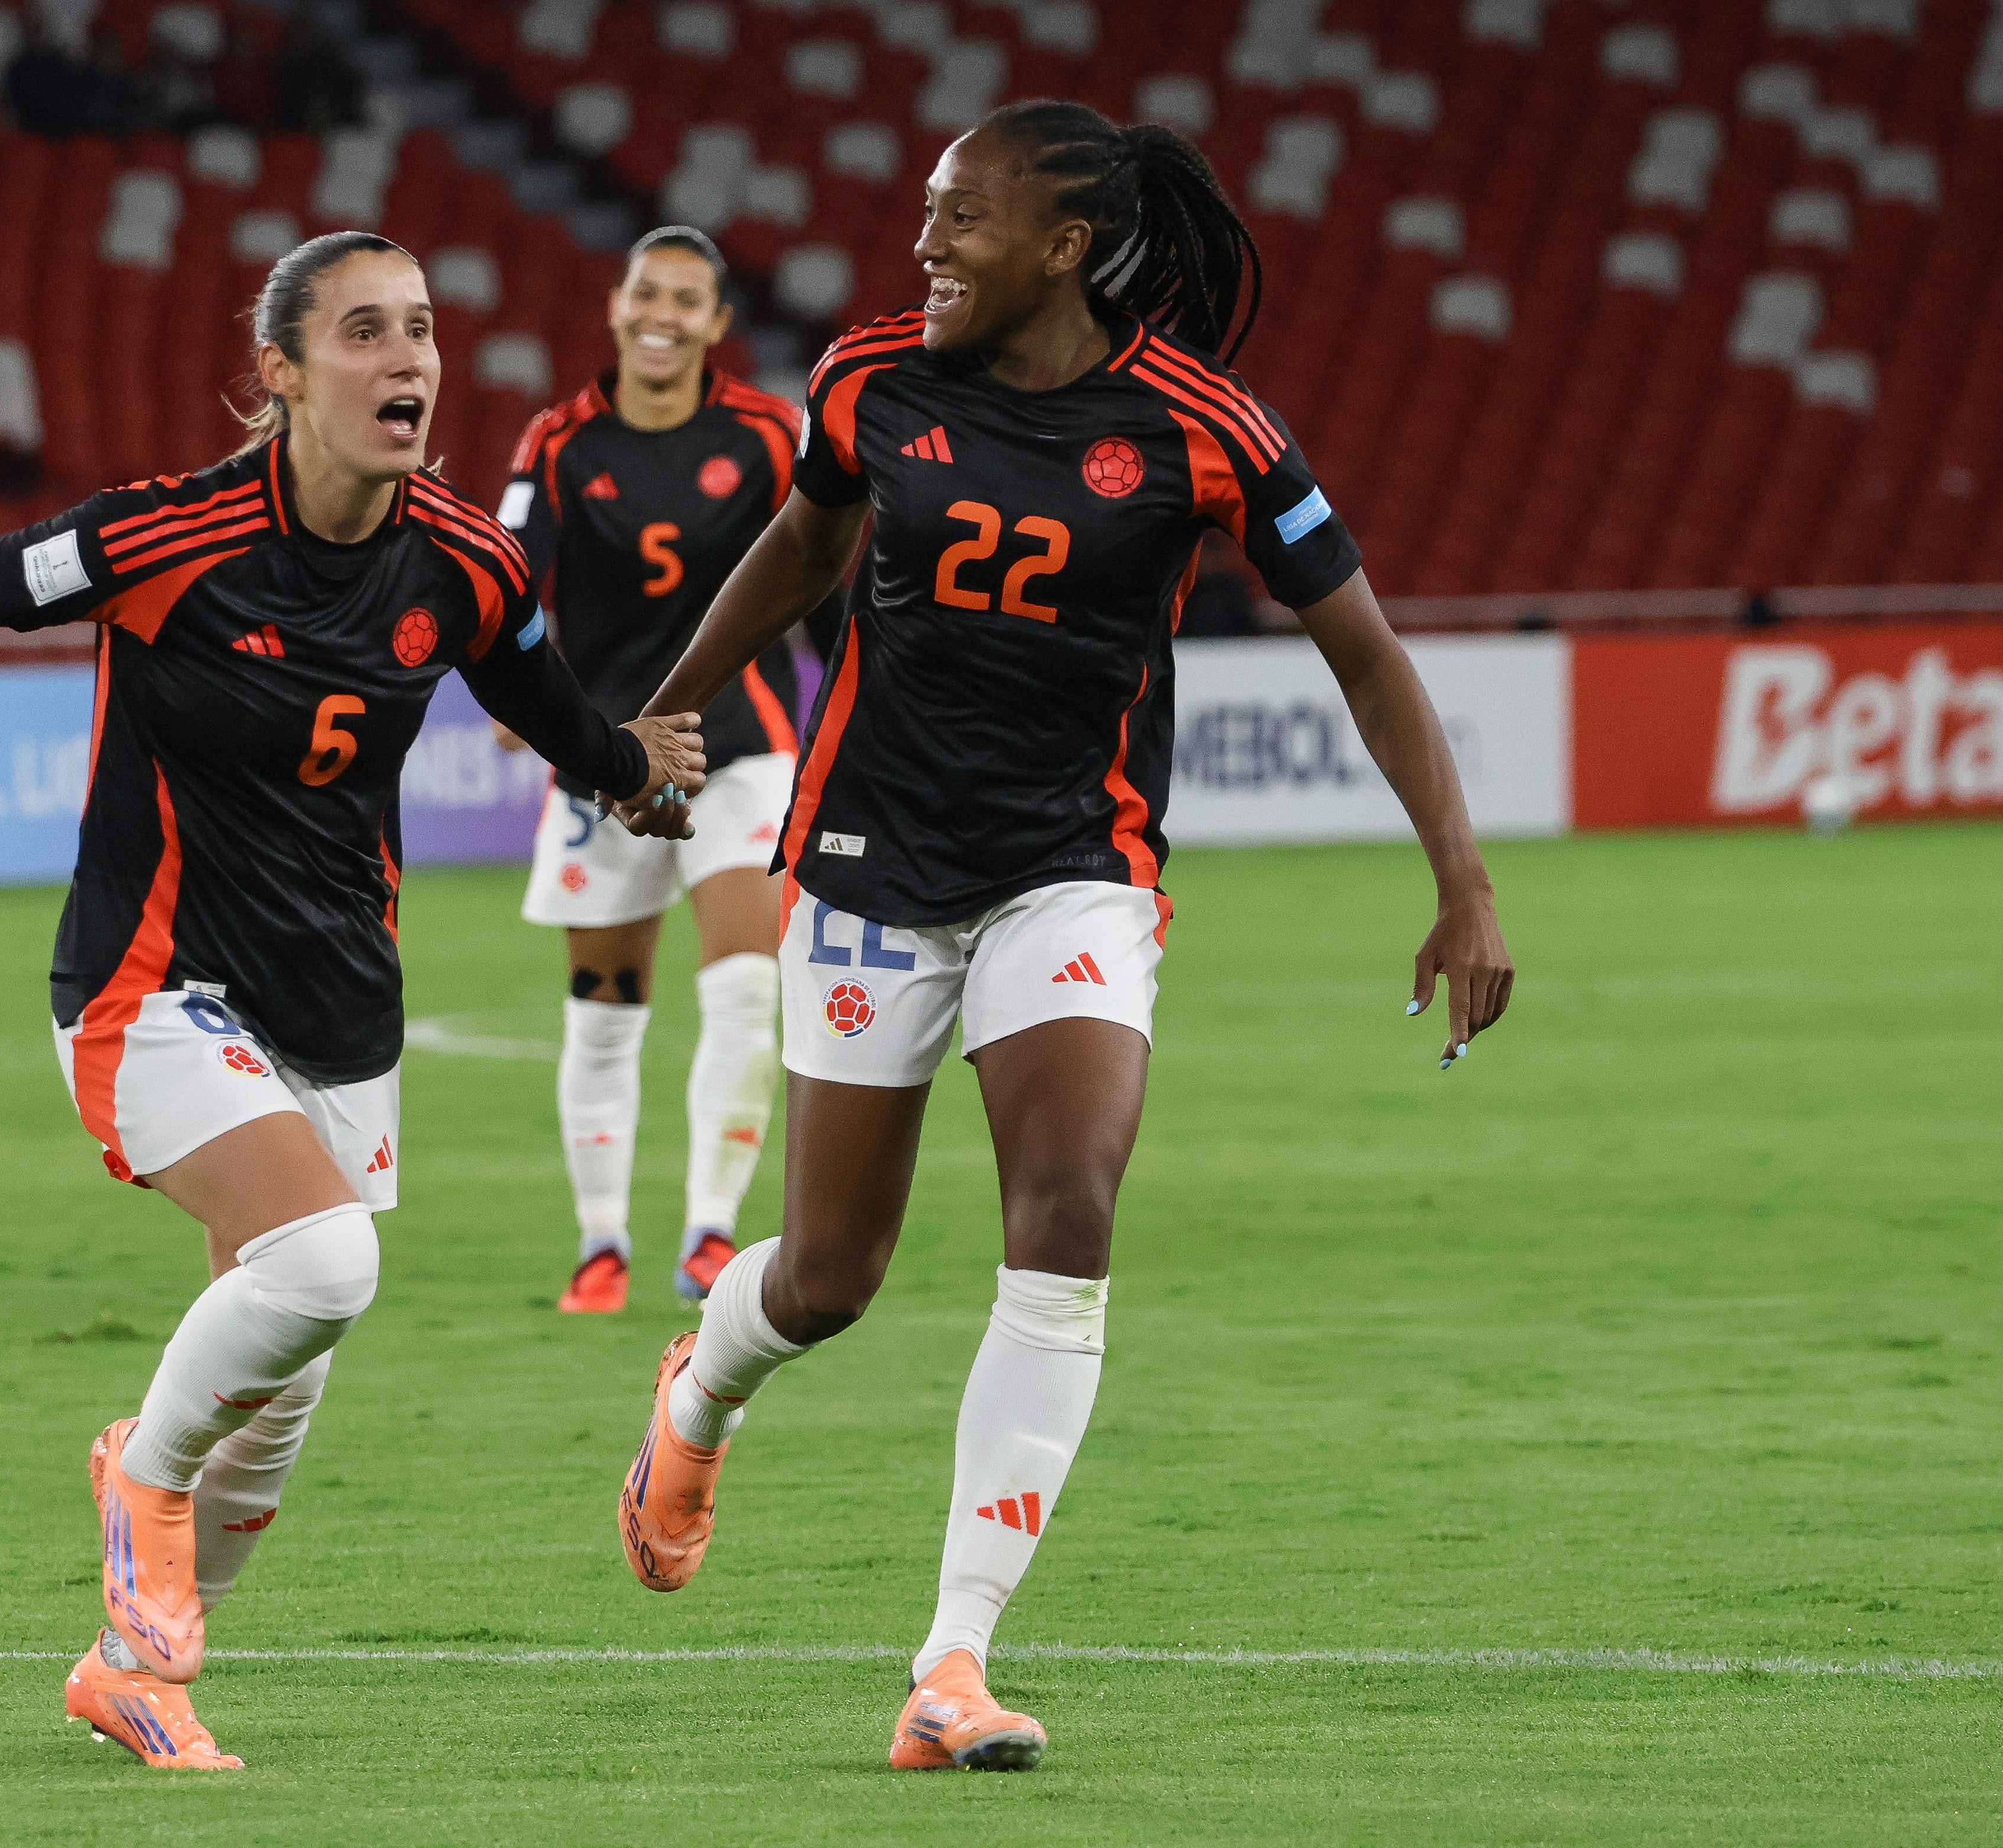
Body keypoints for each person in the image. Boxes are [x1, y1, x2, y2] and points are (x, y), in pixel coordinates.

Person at [0, 231, 706, 1770]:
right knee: (326, 1260)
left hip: (342, 999)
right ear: (279, 372)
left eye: (419, 329)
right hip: (150, 985)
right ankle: (136, 1473)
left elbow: (535, 693)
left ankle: (139, 1663)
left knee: (281, 1403)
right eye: (362, 331)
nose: (407, 358)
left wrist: (624, 772)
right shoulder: (163, 535)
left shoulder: (466, 560)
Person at [609, 101, 1516, 1772]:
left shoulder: (1205, 426)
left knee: (1070, 1206)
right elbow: (808, 538)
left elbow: (1369, 653)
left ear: (1065, 247)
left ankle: (952, 1665)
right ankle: (697, 1395)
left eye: (960, 216)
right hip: (876, 860)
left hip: (1073, 866)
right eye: (929, 212)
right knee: (830, 1275)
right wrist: (659, 715)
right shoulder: (875, 382)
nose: (925, 243)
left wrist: (1459, 877)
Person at [496, 226, 815, 1315]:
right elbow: (504, 590)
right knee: (602, 1013)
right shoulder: (556, 442)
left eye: (687, 299)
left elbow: (828, 580)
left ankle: (710, 1234)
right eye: (647, 293)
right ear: (617, 306)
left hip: (736, 748)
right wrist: (515, 698)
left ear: (717, 325)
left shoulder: (774, 435)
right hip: (605, 761)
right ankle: (599, 1245)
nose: (662, 314)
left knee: (743, 988)